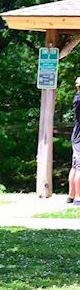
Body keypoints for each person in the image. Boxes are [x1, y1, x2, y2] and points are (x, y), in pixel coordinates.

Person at [69, 76, 80, 204]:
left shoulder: (77, 98)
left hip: (76, 137)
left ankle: (71, 196)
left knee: (75, 166)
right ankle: (78, 197)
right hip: (79, 138)